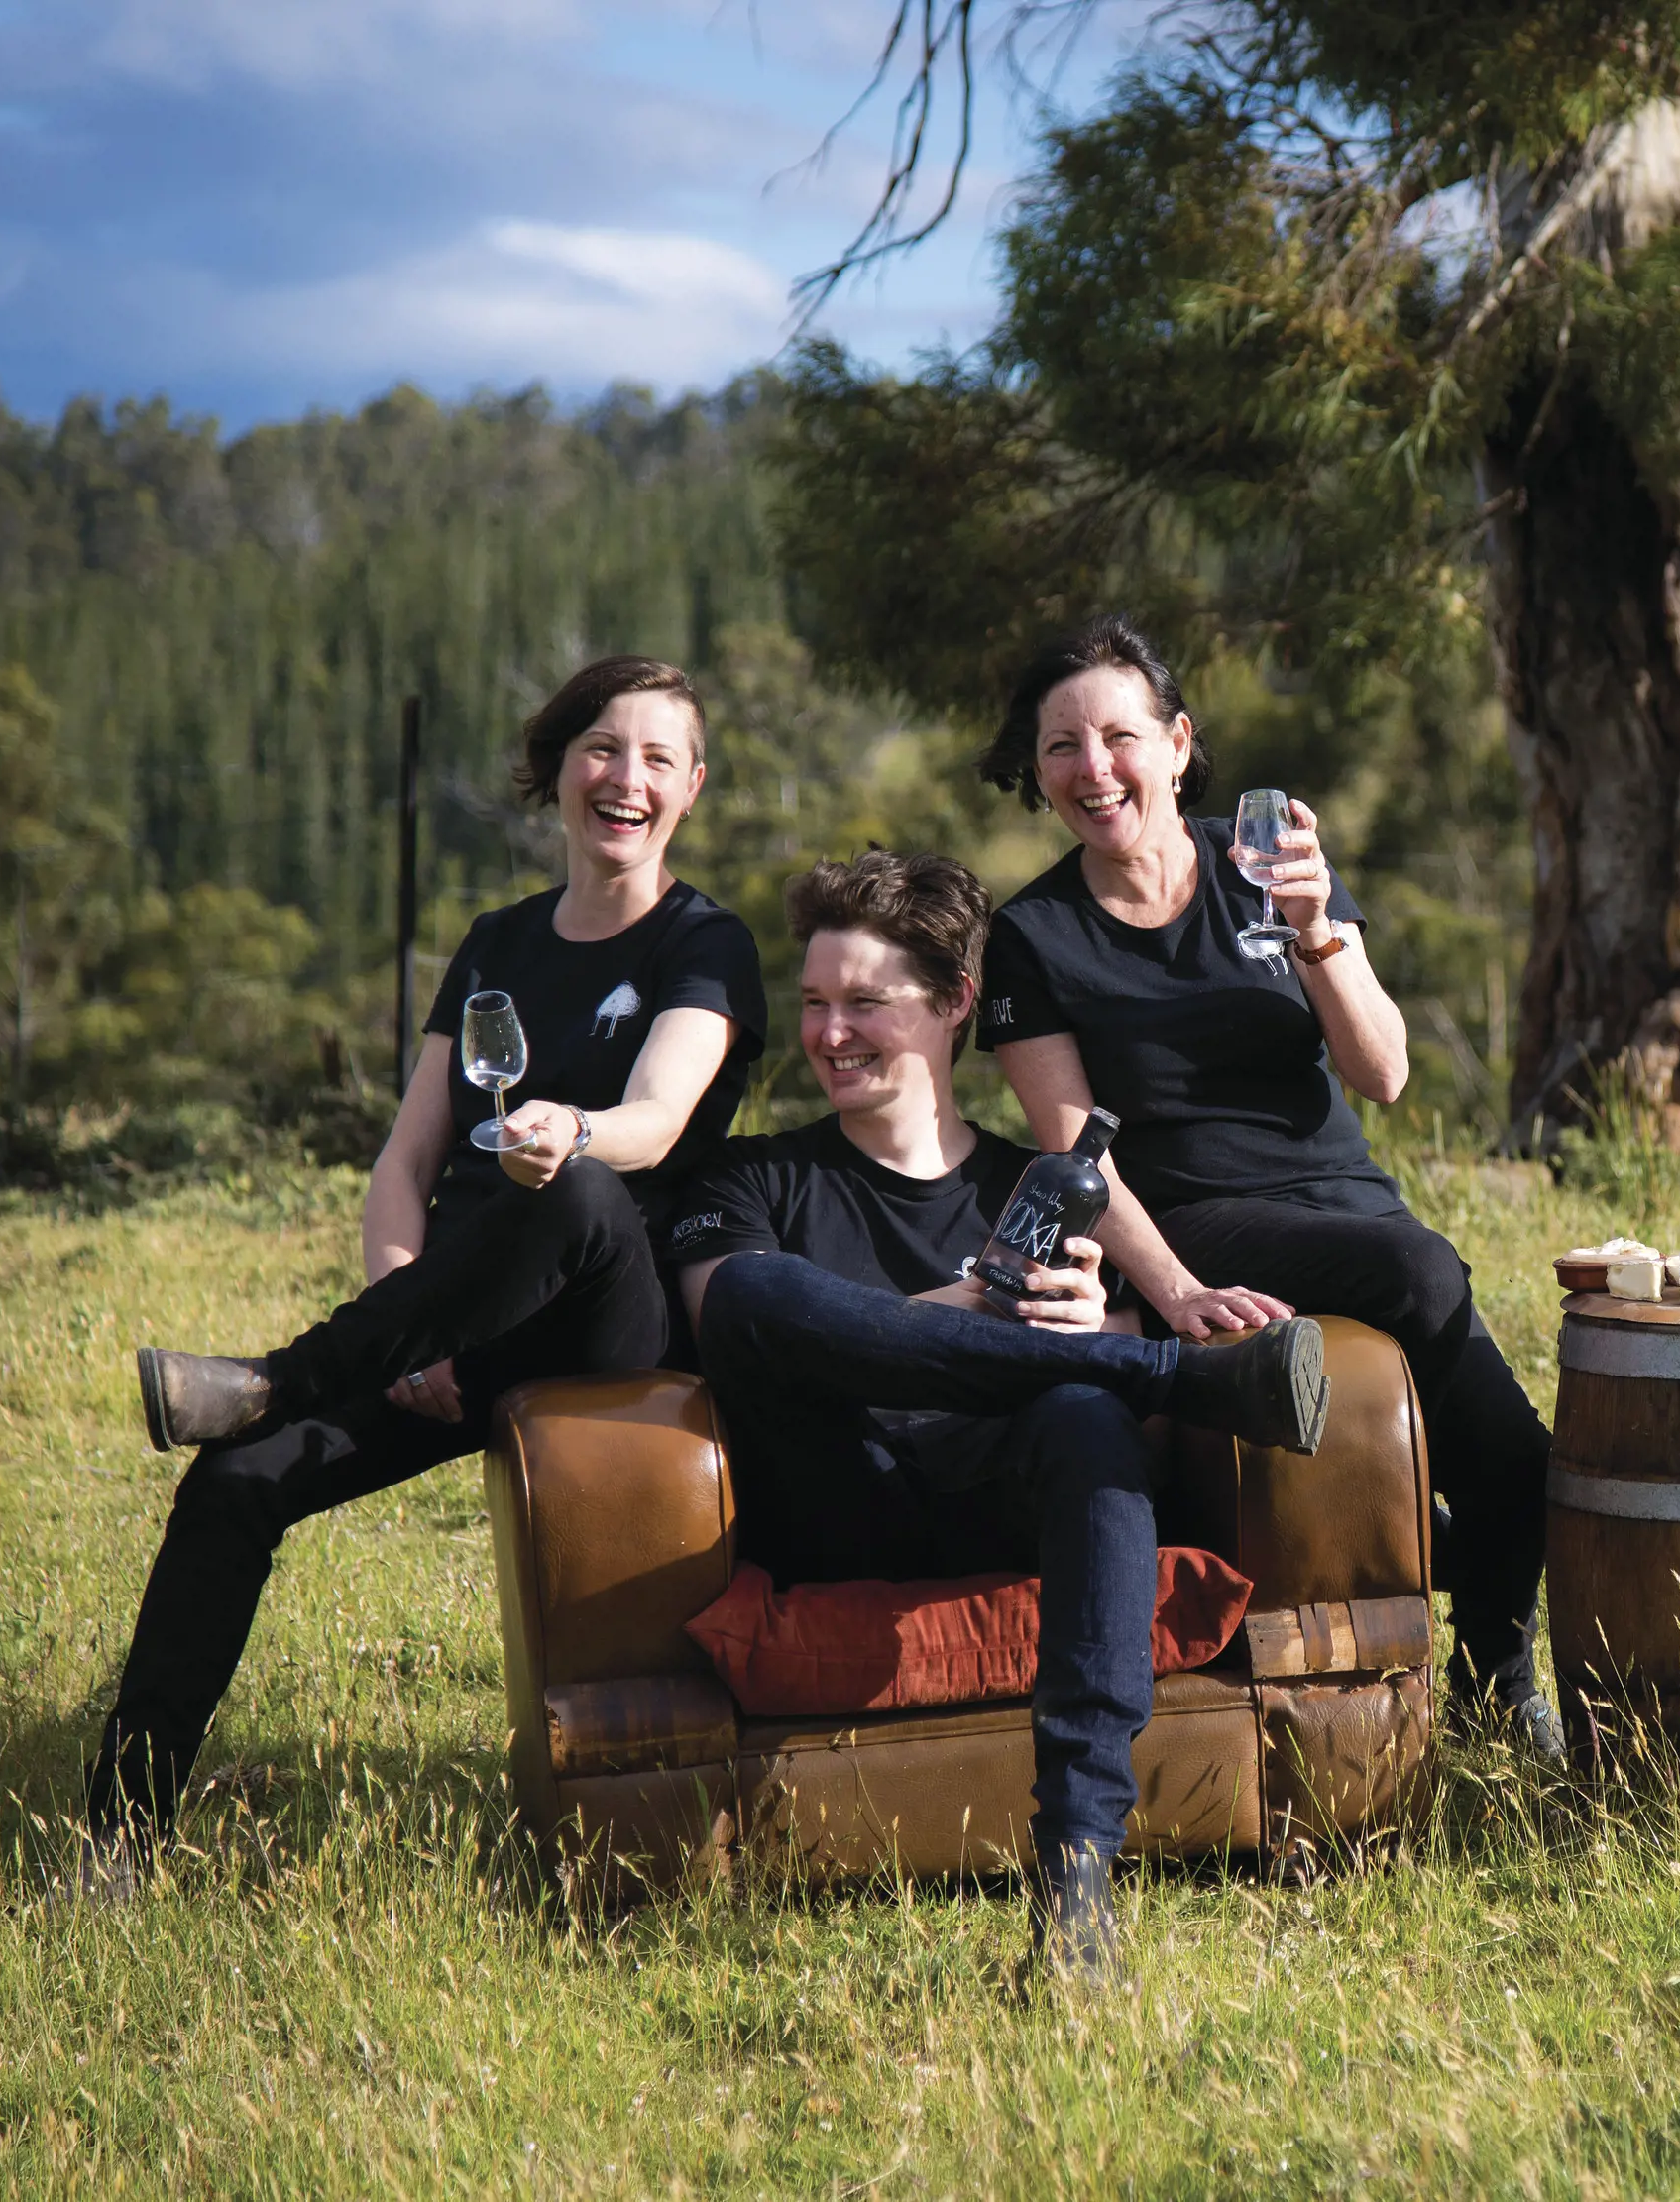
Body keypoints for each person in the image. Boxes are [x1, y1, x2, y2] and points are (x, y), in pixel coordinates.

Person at [94, 656, 768, 1845]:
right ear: (559, 769)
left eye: (659, 757)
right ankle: (120, 1825)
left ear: (693, 787)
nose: (627, 777)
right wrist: (406, 1316)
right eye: (603, 748)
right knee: (237, 1480)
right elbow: (405, 1161)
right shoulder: (496, 942)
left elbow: (657, 1119)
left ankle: (277, 1378)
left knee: (585, 1192)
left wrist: (575, 1127)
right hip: (446, 1326)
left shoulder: (703, 942)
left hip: (603, 1317)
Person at [668, 849, 1325, 1987]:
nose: (829, 1032)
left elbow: (1100, 1366)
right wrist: (984, 1308)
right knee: (762, 1292)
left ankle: (1075, 1890)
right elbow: (728, 1316)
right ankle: (1178, 1374)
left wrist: (1106, 1334)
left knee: (1083, 1410)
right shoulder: (749, 1178)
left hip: (1013, 1507)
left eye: (866, 1002)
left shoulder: (1055, 1190)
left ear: (955, 1003)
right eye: (816, 1002)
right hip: (843, 1497)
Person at [974, 615, 1560, 1759]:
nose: (1092, 769)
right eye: (1060, 746)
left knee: (1523, 1463)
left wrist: (1315, 932)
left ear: (1179, 743)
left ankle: (1497, 1680)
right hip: (1191, 1214)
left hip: (1345, 1201)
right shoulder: (1032, 935)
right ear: (1037, 771)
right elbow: (1071, 1152)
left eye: (1118, 736)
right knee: (1420, 1263)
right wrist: (1178, 1287)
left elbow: (1381, 1072)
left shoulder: (1266, 869)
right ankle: (1441, 1556)